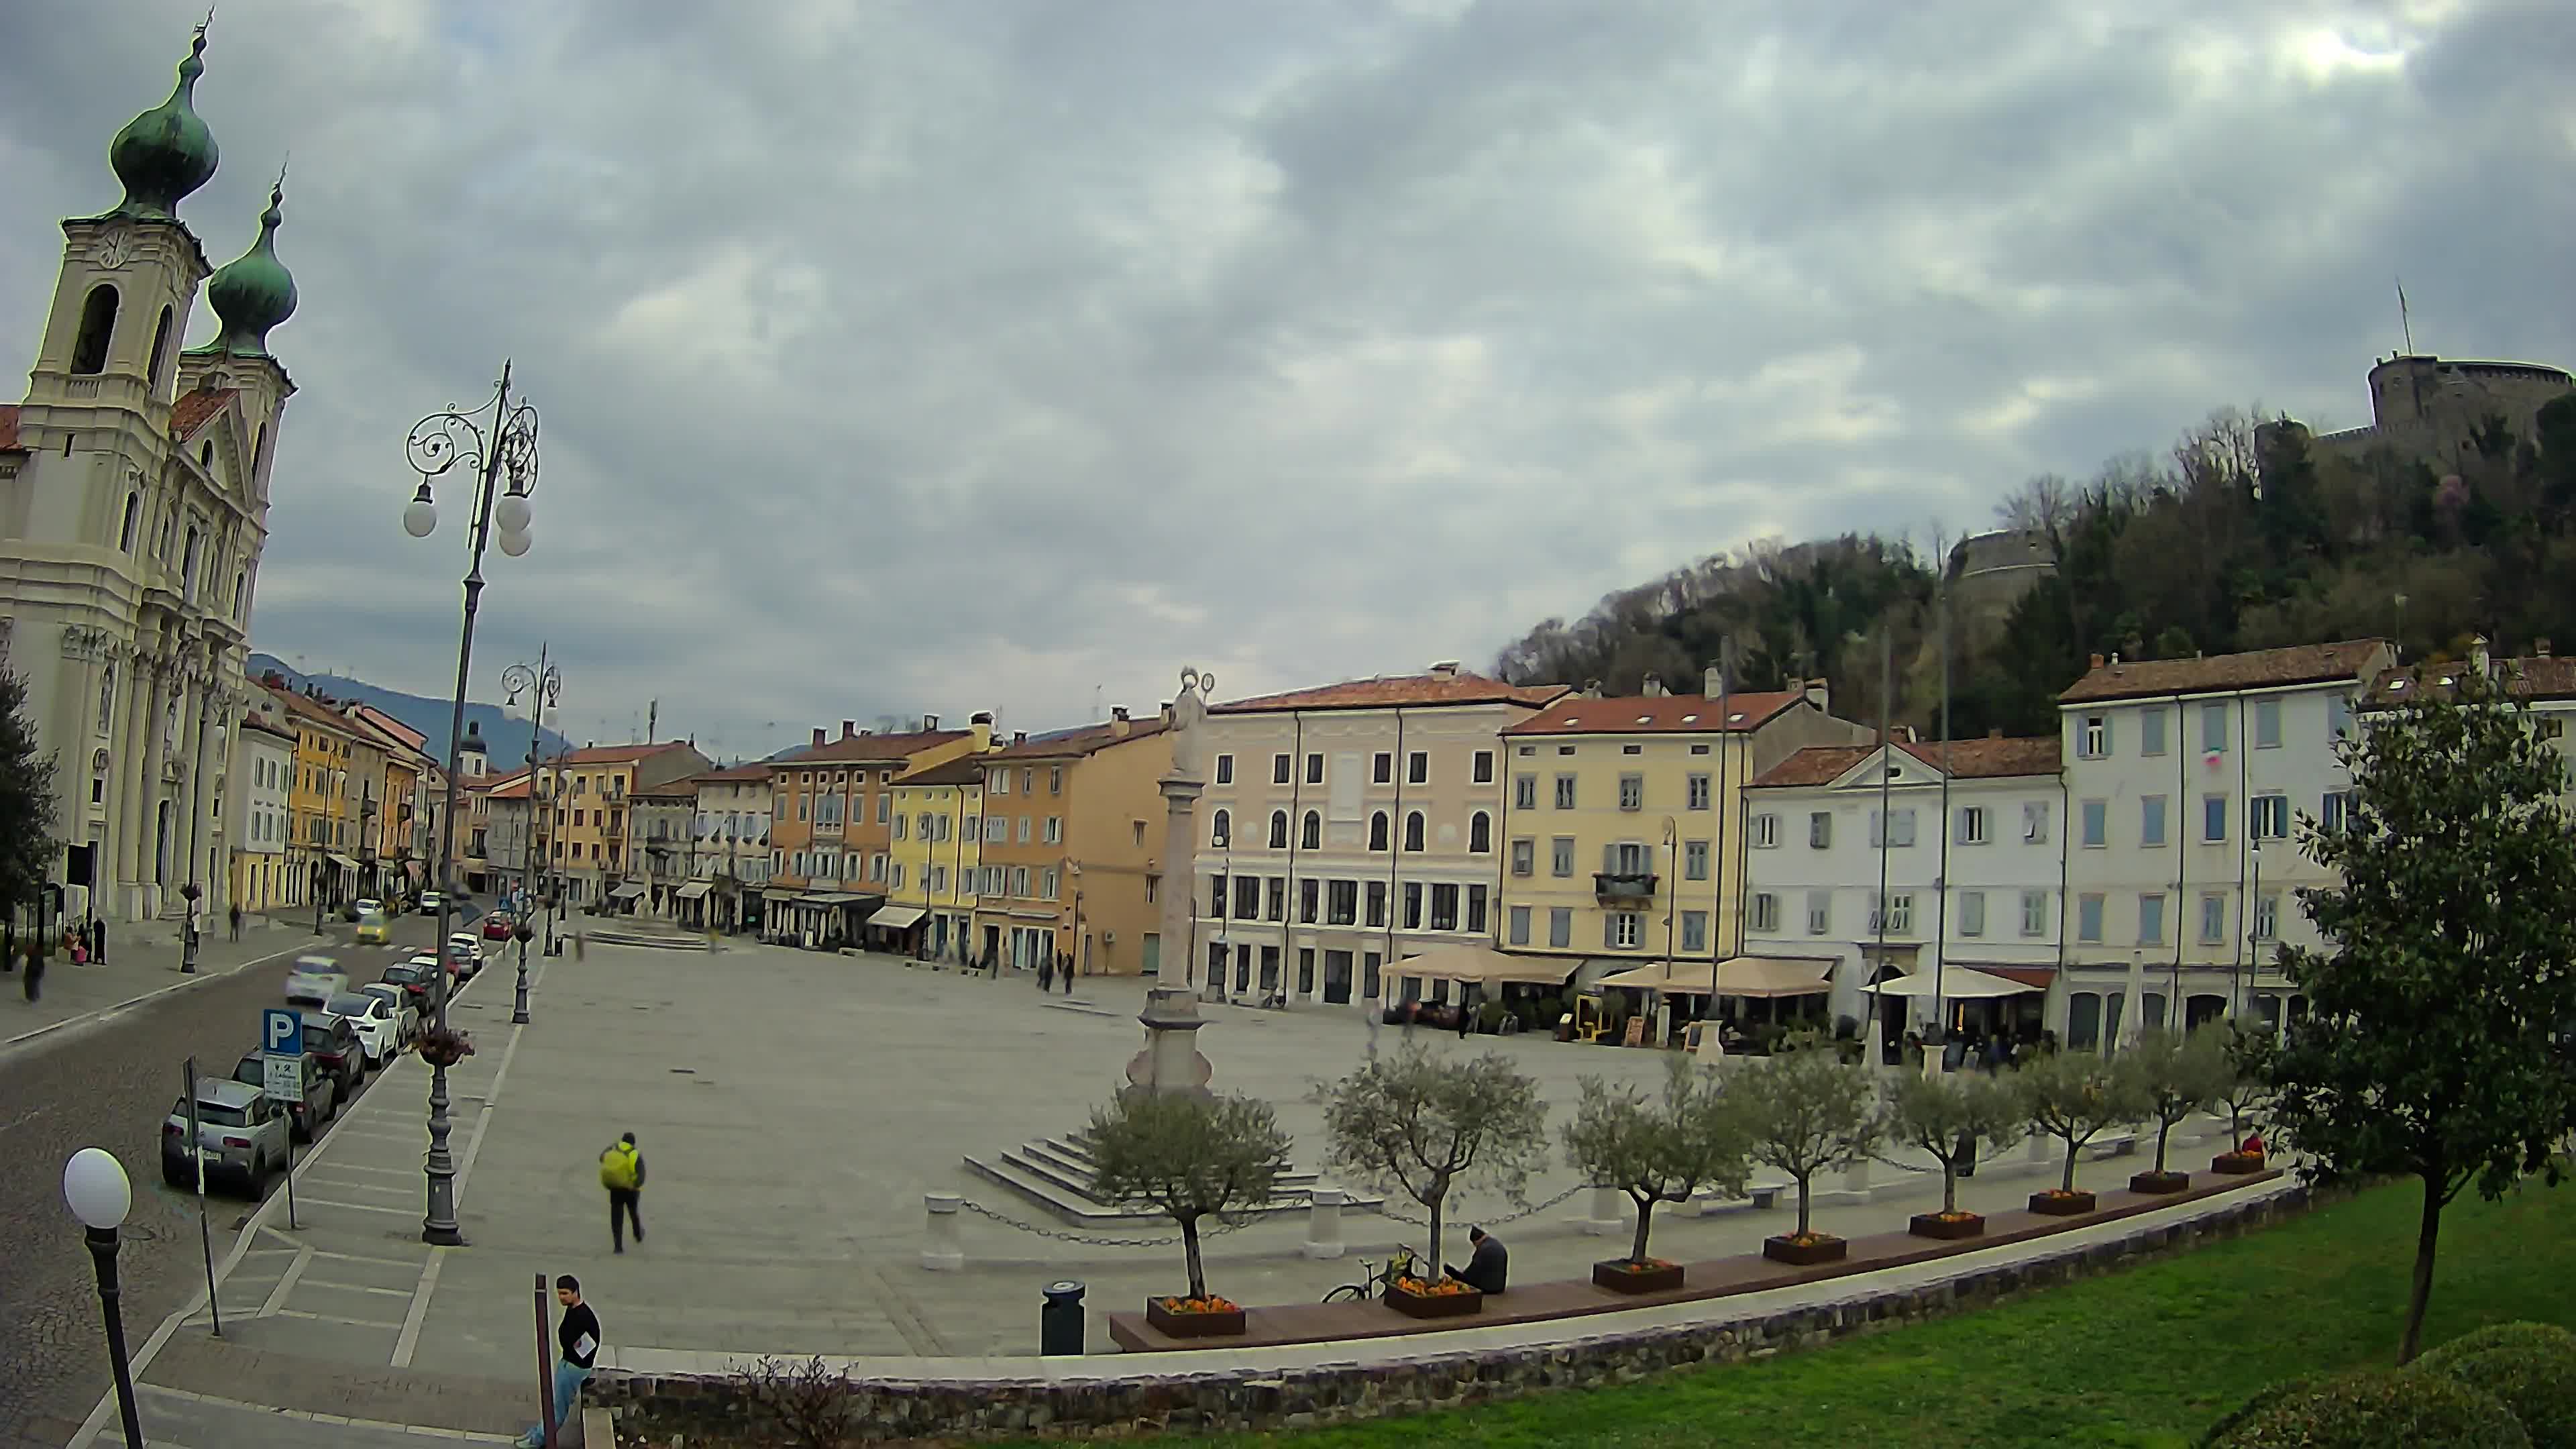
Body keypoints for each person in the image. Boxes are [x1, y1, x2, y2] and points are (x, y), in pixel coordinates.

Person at [518, 1275, 600, 1448]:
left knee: (558, 1409)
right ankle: (538, 1432)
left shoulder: (584, 1316)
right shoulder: (574, 1310)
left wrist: (574, 1356)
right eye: (559, 1294)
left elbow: (591, 1344)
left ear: (575, 1292)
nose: (561, 1297)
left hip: (573, 1367)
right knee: (554, 1404)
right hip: (568, 1362)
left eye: (565, 1293)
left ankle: (538, 1440)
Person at [599, 1132, 645, 1252]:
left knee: (616, 1217)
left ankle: (618, 1246)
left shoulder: (613, 1148)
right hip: (630, 1189)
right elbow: (641, 1174)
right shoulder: (634, 1153)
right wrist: (636, 1186)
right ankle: (638, 1235)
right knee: (633, 1213)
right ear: (633, 1143)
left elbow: (601, 1158)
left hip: (615, 1187)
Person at [1445, 1226, 1507, 1295]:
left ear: (1476, 1242)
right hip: (1500, 1288)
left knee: (1451, 1271)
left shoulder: (1483, 1249)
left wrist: (1458, 1274)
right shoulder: (1496, 1244)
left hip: (1487, 1290)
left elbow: (1471, 1274)